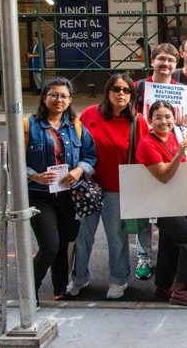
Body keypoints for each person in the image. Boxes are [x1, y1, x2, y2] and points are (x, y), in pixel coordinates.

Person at [69, 73, 149, 300]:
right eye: (116, 89)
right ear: (108, 91)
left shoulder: (137, 121)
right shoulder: (90, 114)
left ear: (132, 96)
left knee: (116, 237)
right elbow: (76, 148)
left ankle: (118, 279)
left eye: (126, 90)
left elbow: (144, 154)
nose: (120, 94)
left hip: (118, 189)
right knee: (84, 236)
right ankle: (78, 278)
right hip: (89, 187)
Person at [25, 77, 96, 305]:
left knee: (63, 243)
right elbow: (13, 161)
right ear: (44, 97)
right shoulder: (29, 126)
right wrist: (34, 175)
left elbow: (90, 156)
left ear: (70, 100)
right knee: (49, 246)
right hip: (39, 195)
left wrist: (78, 171)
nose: (59, 100)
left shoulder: (75, 126)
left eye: (64, 96)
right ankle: (29, 292)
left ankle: (60, 289)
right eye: (53, 95)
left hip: (68, 194)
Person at [135, 100, 187, 306]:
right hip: (160, 204)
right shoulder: (147, 144)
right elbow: (163, 176)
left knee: (169, 243)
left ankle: (163, 287)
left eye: (167, 117)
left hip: (176, 201)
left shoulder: (174, 138)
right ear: (150, 120)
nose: (163, 121)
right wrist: (179, 154)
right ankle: (181, 289)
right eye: (158, 117)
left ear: (174, 118)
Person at [132, 43, 183, 281]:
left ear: (176, 64)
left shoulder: (180, 90)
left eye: (171, 61)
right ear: (152, 61)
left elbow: (181, 126)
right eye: (161, 59)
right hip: (143, 154)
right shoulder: (138, 88)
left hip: (170, 153)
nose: (166, 64)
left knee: (170, 209)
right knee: (144, 211)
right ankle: (144, 256)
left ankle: (167, 256)